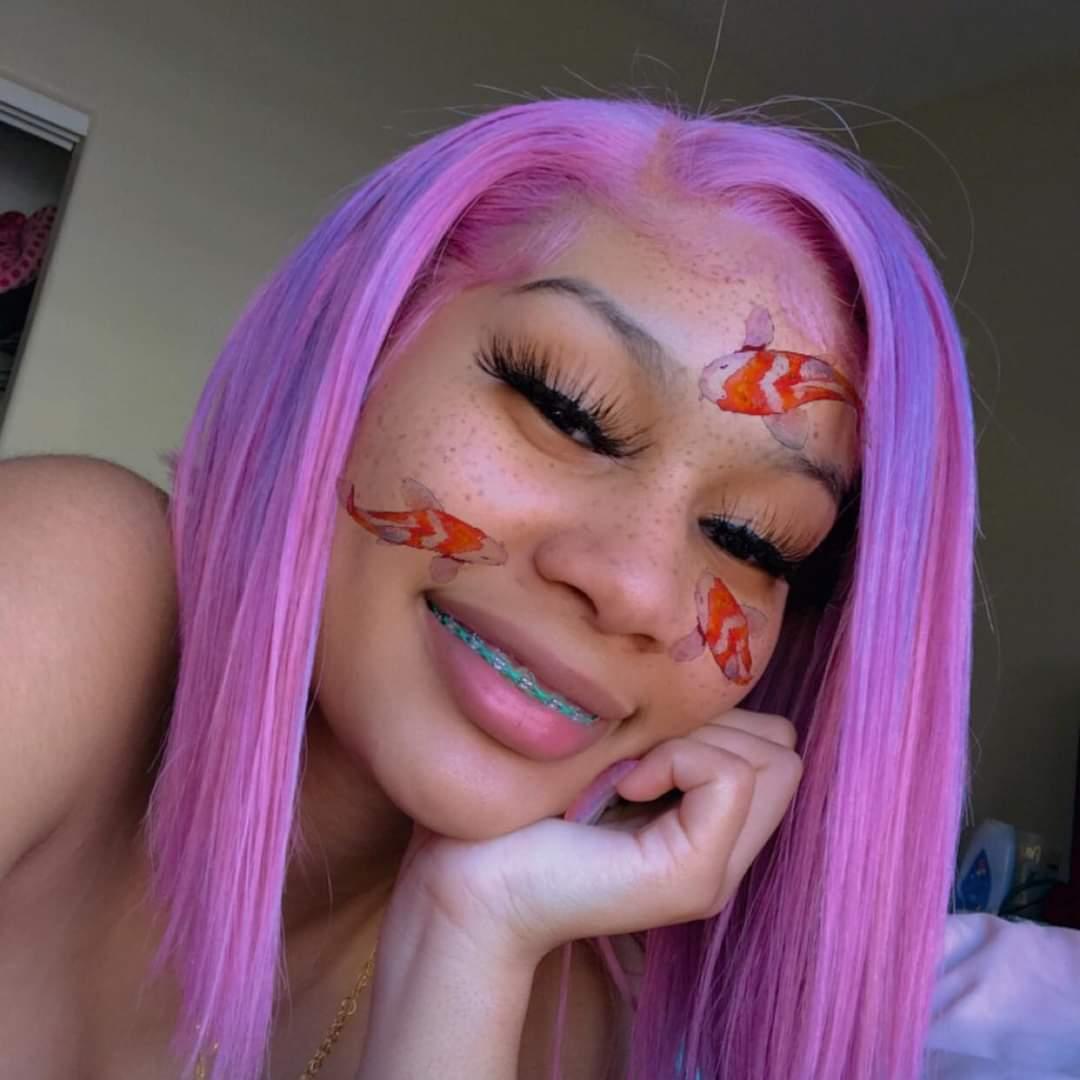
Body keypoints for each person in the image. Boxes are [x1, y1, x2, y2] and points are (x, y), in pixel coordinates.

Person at [0, 96, 975, 1079]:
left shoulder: (555, 1018)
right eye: (567, 411)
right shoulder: (64, 584)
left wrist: (468, 936)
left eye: (754, 540)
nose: (638, 588)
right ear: (360, 349)